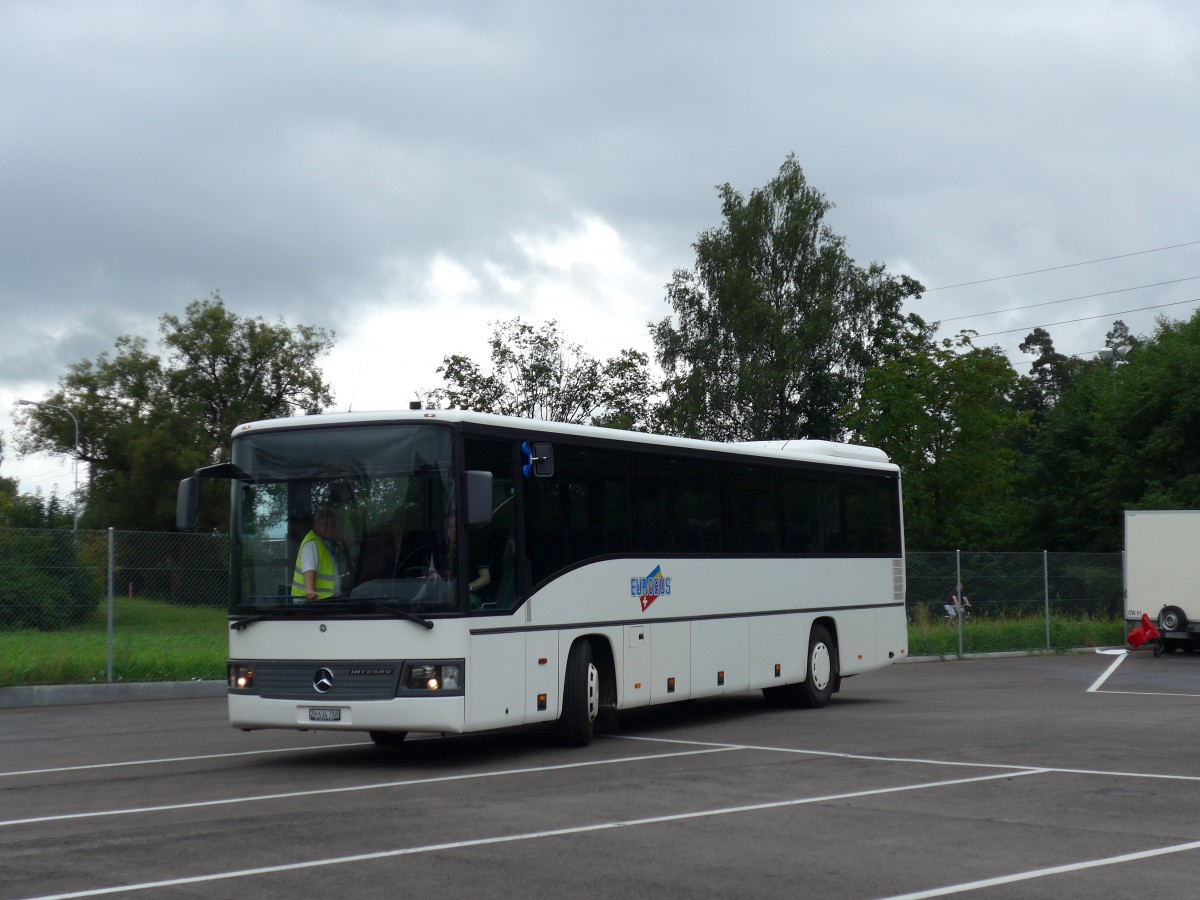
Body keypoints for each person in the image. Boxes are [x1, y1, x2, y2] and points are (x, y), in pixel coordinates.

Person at [291, 508, 352, 601]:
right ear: (316, 525)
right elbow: (309, 571)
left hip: (327, 600)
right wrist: (311, 593)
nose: (329, 528)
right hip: (313, 604)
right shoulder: (312, 543)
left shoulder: (324, 542)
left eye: (332, 525)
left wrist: (342, 540)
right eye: (325, 524)